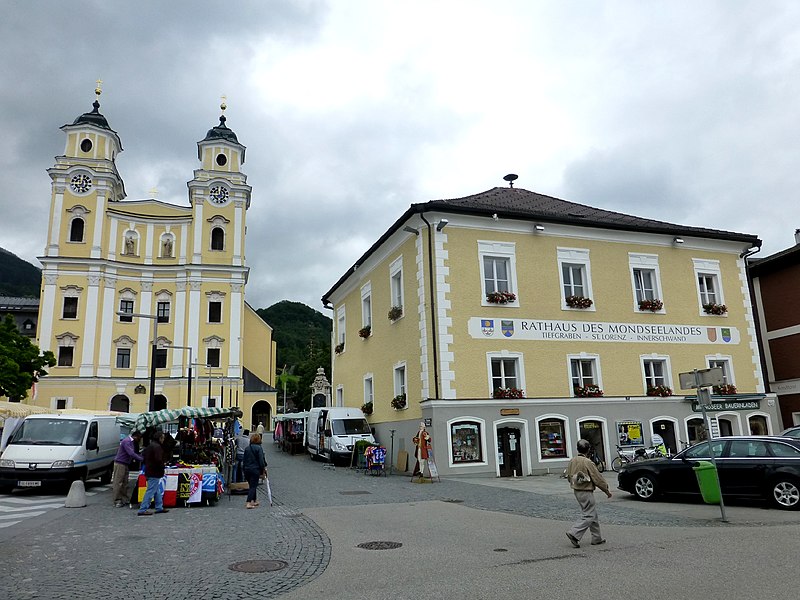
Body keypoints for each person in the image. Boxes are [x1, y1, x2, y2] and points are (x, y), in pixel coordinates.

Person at [565, 438, 612, 547]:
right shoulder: (587, 462)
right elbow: (597, 478)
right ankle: (574, 533)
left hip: (576, 490)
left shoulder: (572, 460)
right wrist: (606, 490)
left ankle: (597, 538)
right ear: (588, 449)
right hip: (586, 491)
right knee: (589, 515)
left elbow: (568, 476)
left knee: (592, 514)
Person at [137, 431, 169, 516]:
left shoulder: (150, 446)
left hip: (149, 470)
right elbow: (158, 460)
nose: (163, 439)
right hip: (154, 471)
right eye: (162, 438)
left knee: (156, 490)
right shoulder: (157, 447)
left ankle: (159, 507)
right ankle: (143, 509)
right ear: (160, 438)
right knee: (151, 491)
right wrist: (163, 465)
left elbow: (143, 456)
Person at [112, 430, 143, 508]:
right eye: (140, 438)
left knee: (125, 482)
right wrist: (141, 458)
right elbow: (131, 453)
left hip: (125, 463)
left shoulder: (130, 441)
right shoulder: (127, 441)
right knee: (118, 482)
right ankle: (117, 500)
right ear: (136, 436)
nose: (140, 440)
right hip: (120, 463)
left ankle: (124, 498)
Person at [242, 432, 267, 509]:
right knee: (253, 486)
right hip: (255, 469)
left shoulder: (247, 448)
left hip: (246, 469)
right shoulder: (259, 448)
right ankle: (248, 502)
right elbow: (261, 460)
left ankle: (254, 500)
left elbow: (244, 460)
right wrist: (263, 468)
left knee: (252, 485)